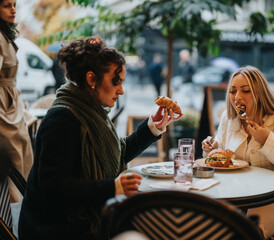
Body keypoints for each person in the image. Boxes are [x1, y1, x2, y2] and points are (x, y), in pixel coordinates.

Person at [18, 36, 182, 240]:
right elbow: (54, 186)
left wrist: (153, 128)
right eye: (116, 82)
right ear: (91, 79)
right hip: (58, 230)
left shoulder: (91, 110)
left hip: (79, 222)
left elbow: (117, 151)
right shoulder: (63, 118)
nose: (121, 90)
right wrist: (112, 187)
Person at [202, 65, 274, 238]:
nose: (237, 97)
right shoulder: (228, 119)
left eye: (245, 91)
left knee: (246, 228)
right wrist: (213, 149)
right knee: (205, 221)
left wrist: (268, 140)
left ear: (260, 93)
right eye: (232, 91)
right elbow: (222, 157)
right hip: (240, 198)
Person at [0, 0, 34, 203]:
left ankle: (21, 208)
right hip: (4, 106)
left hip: (11, 102)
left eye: (14, 5)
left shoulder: (5, 34)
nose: (13, 9)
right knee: (15, 157)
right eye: (6, 5)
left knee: (22, 152)